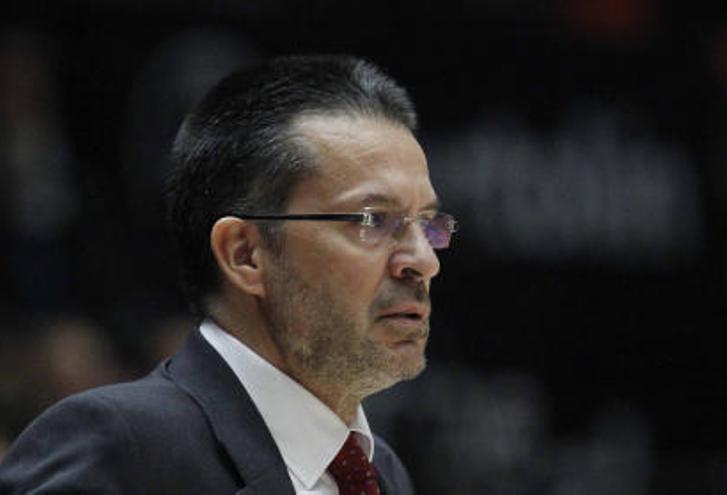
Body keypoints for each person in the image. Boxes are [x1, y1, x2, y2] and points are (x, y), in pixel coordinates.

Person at [0, 54, 457, 494]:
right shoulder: (119, 449)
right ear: (245, 255)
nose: (423, 259)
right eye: (372, 220)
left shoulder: (378, 473)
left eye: (429, 224)